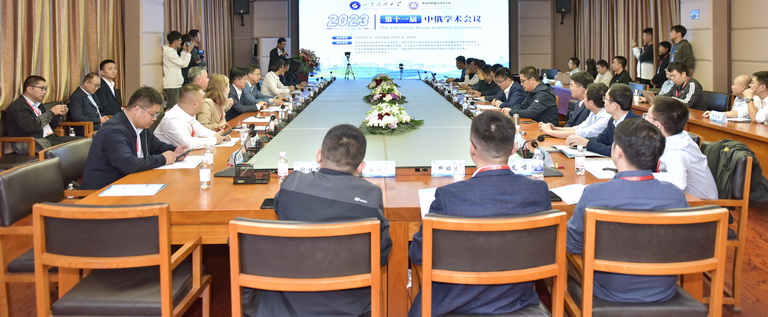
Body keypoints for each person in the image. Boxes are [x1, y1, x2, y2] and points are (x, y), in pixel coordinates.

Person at [408, 111, 551, 316]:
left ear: (471, 148)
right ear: (513, 148)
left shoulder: (449, 196)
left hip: (455, 305)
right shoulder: (538, 191)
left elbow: (418, 254)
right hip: (516, 301)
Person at [250, 124, 392, 316]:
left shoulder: (292, 185)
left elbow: (280, 208)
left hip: (287, 305)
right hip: (349, 307)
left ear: (318, 155)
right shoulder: (371, 196)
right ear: (361, 166)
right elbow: (381, 256)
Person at [567, 118, 689, 304]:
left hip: (606, 290)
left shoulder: (595, 194)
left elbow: (572, 244)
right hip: (663, 289)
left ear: (617, 151)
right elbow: (681, 244)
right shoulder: (676, 196)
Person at [82, 86, 192, 190]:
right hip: (103, 192)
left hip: (131, 184)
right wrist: (163, 159)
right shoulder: (113, 131)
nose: (154, 119)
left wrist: (174, 150)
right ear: (137, 110)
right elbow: (128, 164)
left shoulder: (141, 128)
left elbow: (157, 146)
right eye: (152, 114)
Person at [646, 97, 718, 199]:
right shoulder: (678, 136)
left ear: (658, 125)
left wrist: (644, 175)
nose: (644, 119)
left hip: (700, 204)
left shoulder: (677, 151)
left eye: (647, 116)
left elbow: (679, 183)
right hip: (683, 198)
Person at [4, 75, 71, 152]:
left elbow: (51, 125)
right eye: (42, 88)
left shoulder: (38, 105)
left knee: (82, 142)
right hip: (34, 142)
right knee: (72, 149)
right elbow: (31, 126)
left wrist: (58, 114)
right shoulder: (18, 106)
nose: (44, 92)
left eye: (45, 89)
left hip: (49, 138)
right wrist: (51, 112)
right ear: (29, 89)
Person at [566, 83, 638, 156]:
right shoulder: (612, 120)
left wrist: (587, 143)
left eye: (605, 99)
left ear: (614, 105)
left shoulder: (634, 125)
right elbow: (600, 140)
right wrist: (579, 141)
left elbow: (617, 151)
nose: (604, 102)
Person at [154, 84, 229, 150]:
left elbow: (201, 131)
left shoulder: (187, 115)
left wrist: (217, 135)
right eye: (203, 99)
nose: (204, 101)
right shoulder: (172, 119)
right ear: (194, 104)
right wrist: (215, 140)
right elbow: (188, 144)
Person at [540, 83, 610, 140]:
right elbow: (579, 127)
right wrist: (555, 129)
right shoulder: (594, 112)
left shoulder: (605, 117)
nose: (583, 99)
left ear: (591, 103)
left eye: (585, 97)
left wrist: (549, 132)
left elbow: (583, 133)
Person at [163, 30, 192, 110]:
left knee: (176, 108)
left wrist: (184, 51)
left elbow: (180, 62)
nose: (181, 42)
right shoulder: (169, 53)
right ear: (175, 41)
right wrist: (189, 52)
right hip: (172, 85)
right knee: (172, 109)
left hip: (175, 84)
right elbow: (184, 64)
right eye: (180, 40)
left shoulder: (172, 51)